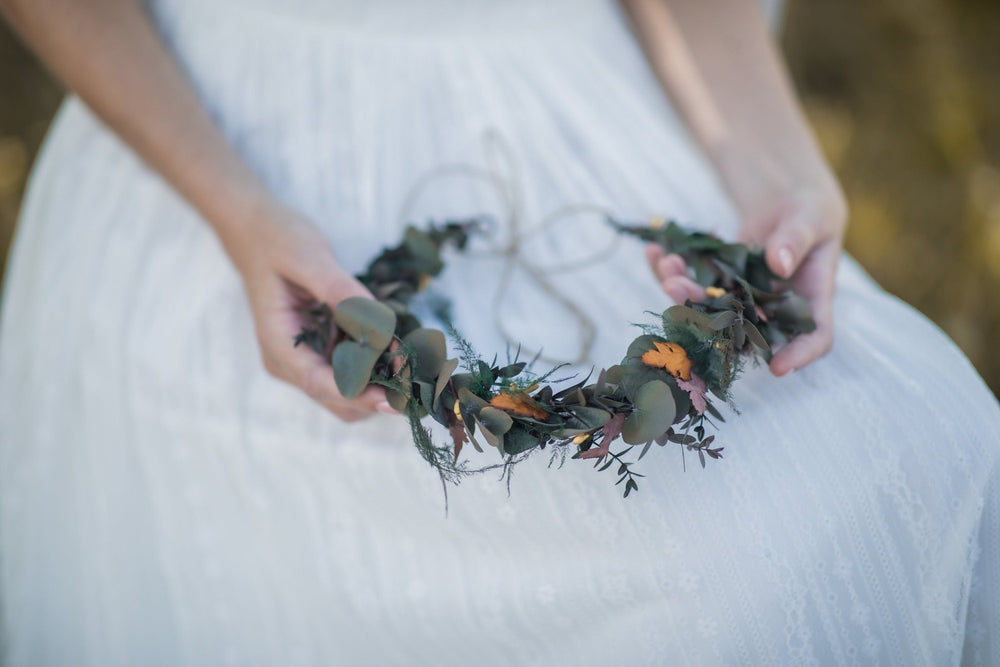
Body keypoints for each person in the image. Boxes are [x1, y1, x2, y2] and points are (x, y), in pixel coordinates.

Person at [0, 0, 996, 664]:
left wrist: (774, 168)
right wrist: (236, 211)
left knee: (894, 461)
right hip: (214, 139)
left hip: (577, 101)